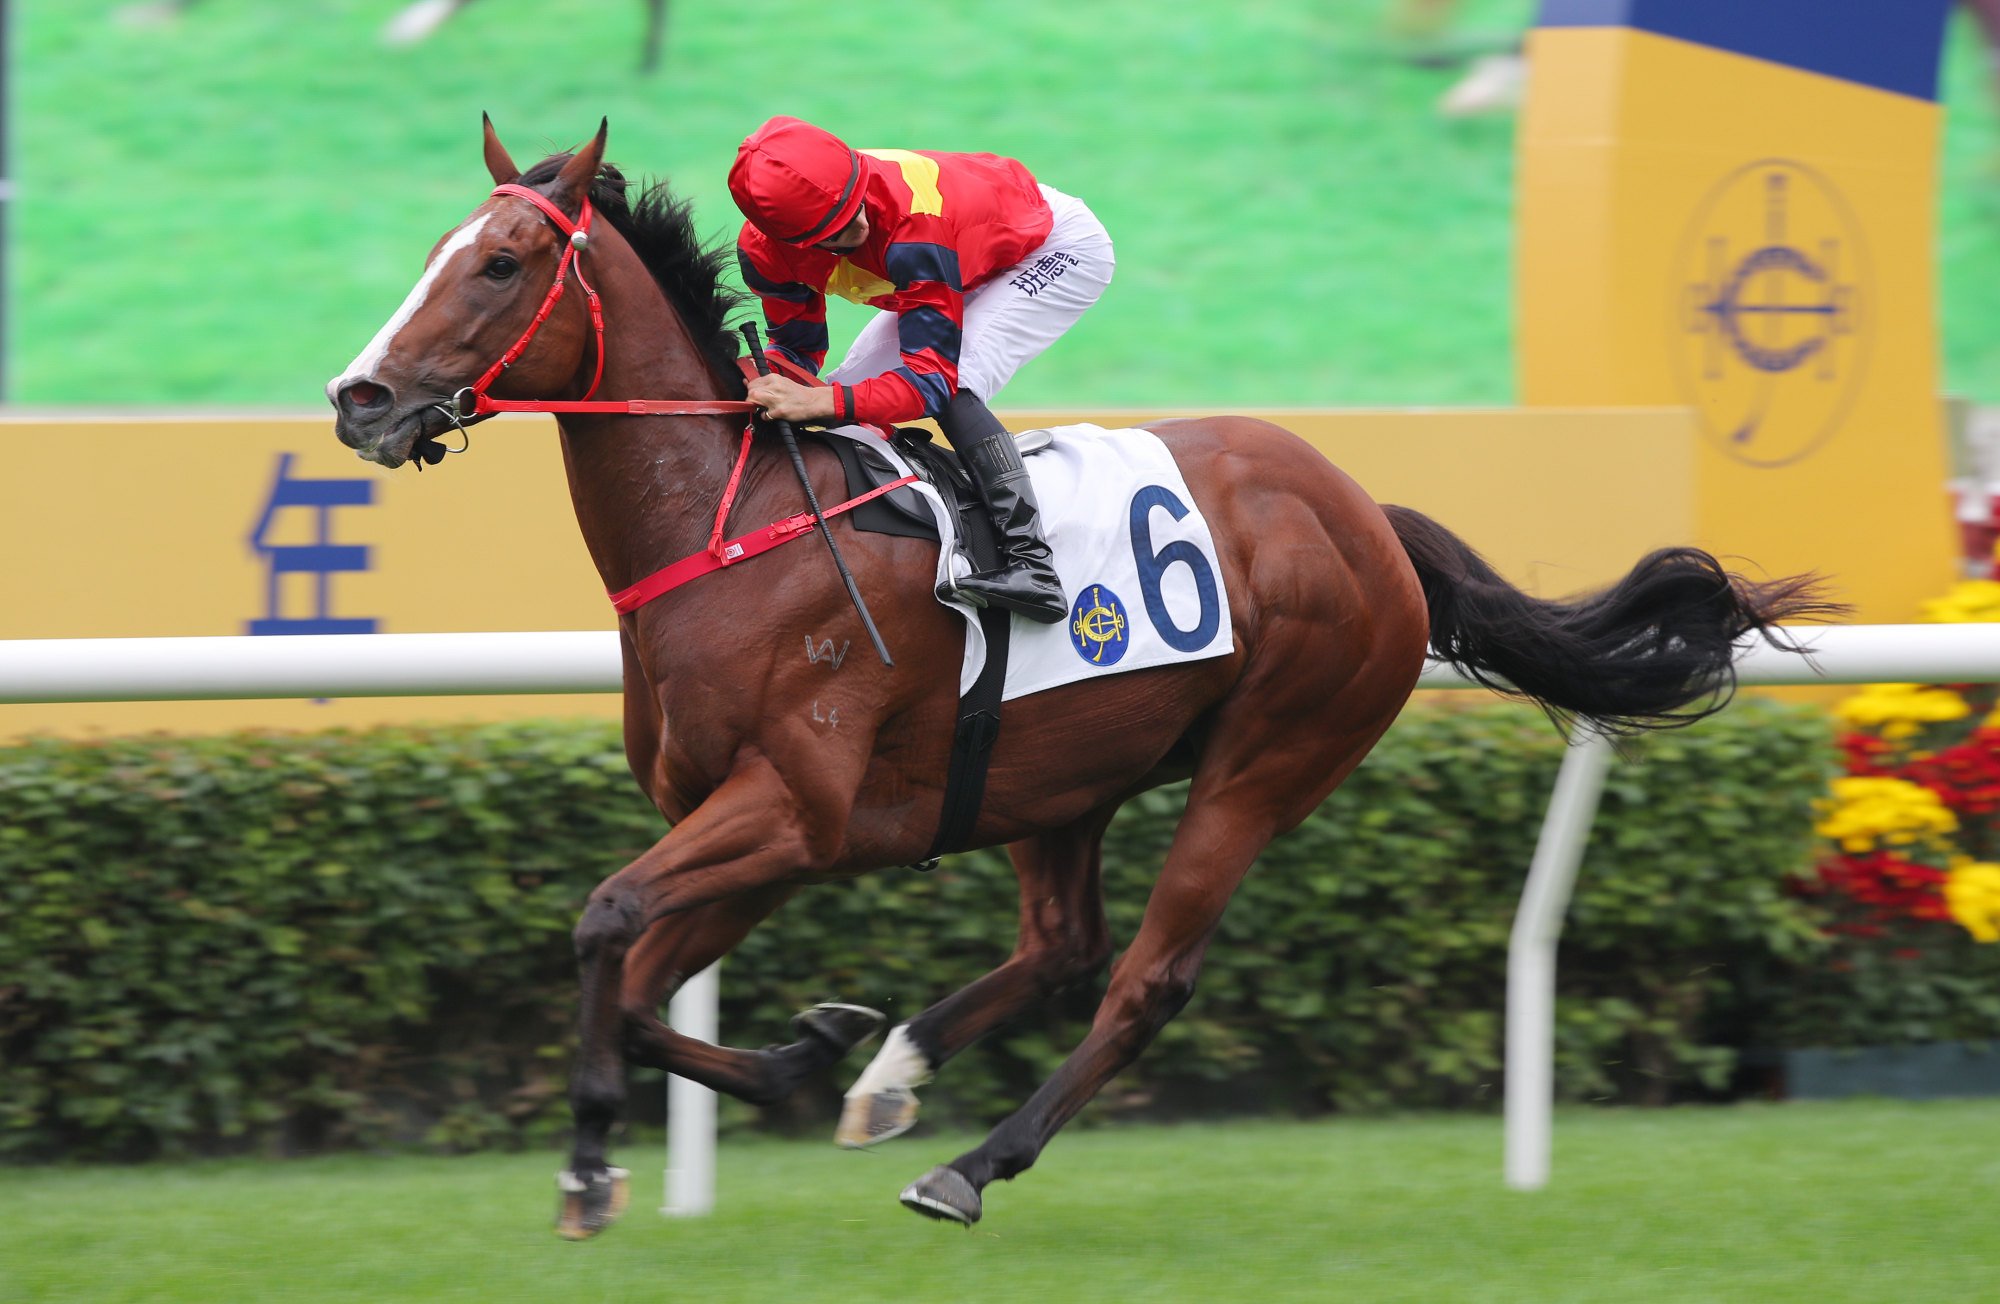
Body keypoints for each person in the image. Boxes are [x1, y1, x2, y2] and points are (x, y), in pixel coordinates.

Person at [728, 116, 1115, 624]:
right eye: (835, 231)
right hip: (962, 255)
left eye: (857, 203)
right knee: (847, 401)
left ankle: (1032, 563)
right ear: (790, 242)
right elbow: (797, 351)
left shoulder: (911, 229)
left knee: (955, 384)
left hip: (1049, 246)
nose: (859, 226)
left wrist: (821, 400)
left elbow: (931, 383)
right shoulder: (764, 255)